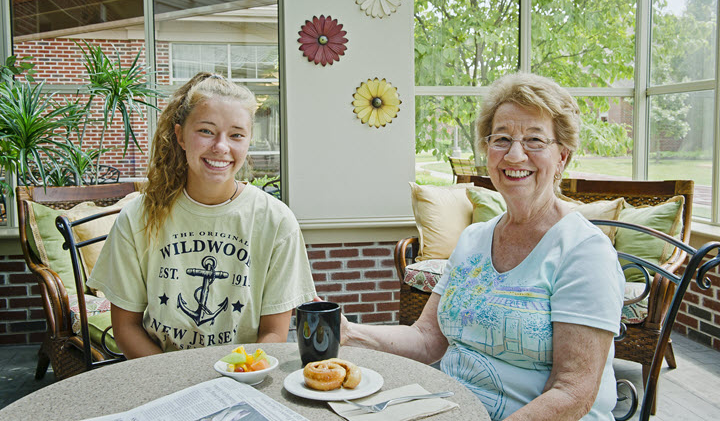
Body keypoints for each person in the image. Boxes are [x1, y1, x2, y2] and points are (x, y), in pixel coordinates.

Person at [342, 72, 624, 420]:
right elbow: (428, 339)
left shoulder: (583, 251)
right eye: (502, 139)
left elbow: (573, 392)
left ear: (562, 156)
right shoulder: (474, 239)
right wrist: (349, 333)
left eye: (535, 140)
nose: (515, 155)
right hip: (452, 410)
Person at [88, 72, 316, 358]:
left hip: (243, 378)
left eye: (236, 135)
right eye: (206, 131)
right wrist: (175, 385)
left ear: (248, 142)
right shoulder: (138, 218)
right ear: (180, 135)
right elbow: (126, 328)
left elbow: (273, 332)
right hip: (160, 374)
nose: (221, 147)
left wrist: (235, 377)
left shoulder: (276, 222)